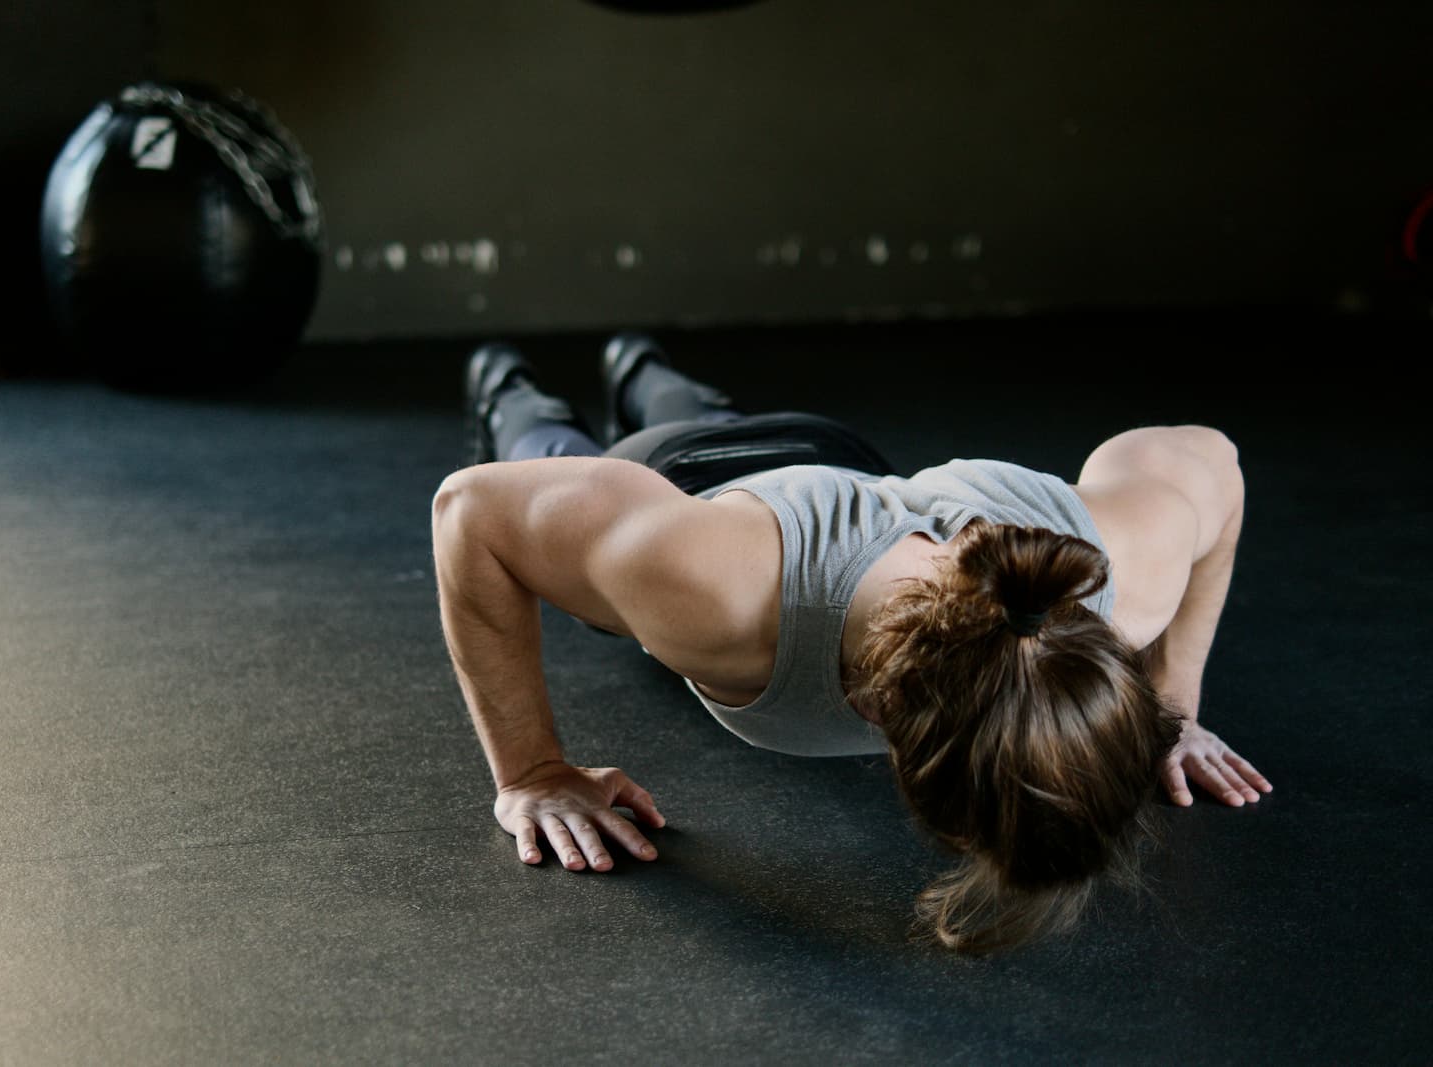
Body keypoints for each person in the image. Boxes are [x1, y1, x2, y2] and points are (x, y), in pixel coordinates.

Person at [431, 333, 1271, 953]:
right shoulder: (710, 595)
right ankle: (510, 384)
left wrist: (1171, 707)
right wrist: (532, 772)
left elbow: (1216, 463)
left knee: (718, 415)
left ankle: (640, 364)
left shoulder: (1126, 574)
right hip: (683, 480)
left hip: (830, 458)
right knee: (553, 462)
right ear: (878, 716)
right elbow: (472, 513)